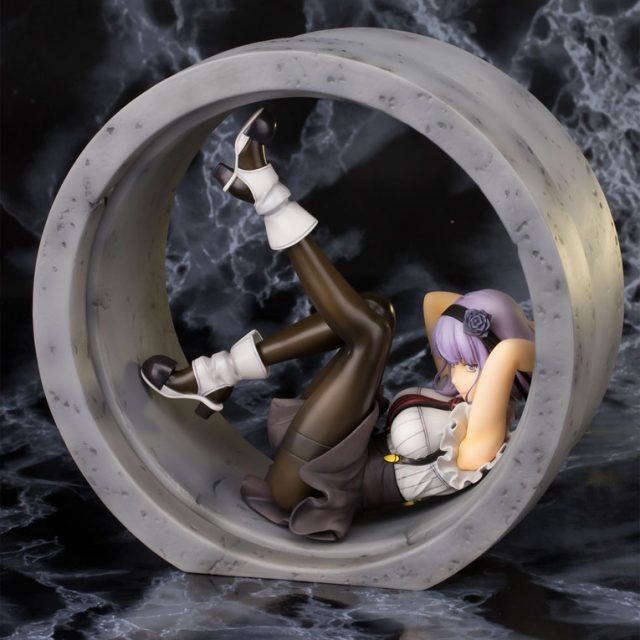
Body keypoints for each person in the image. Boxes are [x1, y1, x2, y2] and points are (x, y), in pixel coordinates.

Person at [141, 108, 535, 541]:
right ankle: (219, 373)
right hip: (331, 444)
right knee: (376, 311)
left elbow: (506, 354)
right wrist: (482, 328)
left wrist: (524, 342)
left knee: (369, 335)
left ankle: (267, 197)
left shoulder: (483, 438)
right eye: (457, 361)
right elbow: (435, 304)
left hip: (313, 487)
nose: (455, 372)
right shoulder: (459, 390)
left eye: (472, 365)